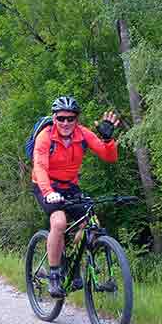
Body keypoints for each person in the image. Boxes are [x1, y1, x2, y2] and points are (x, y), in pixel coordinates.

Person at [32, 96, 120, 297]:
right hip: (45, 185)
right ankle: (54, 275)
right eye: (61, 118)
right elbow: (40, 167)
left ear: (76, 119)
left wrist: (108, 140)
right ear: (54, 118)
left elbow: (110, 157)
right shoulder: (45, 137)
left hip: (70, 186)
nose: (65, 123)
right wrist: (49, 193)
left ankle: (73, 262)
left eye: (70, 118)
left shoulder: (83, 134)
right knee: (59, 222)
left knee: (90, 222)